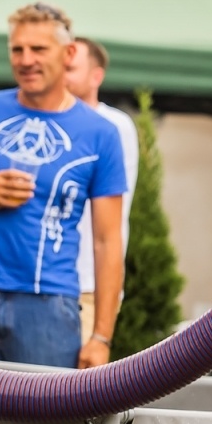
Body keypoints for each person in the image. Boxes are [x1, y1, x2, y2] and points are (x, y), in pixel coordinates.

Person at [0, 3, 126, 369]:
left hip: (48, 305)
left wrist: (101, 337)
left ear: (69, 52)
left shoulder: (101, 133)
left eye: (39, 49)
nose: (26, 60)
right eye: (17, 49)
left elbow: (108, 242)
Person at [65, 36, 139, 341]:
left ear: (96, 76)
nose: (62, 74)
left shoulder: (113, 127)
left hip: (87, 282)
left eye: (70, 68)